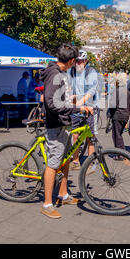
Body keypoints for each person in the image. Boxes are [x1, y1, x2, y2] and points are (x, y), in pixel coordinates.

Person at [40, 44, 93, 219]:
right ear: (71, 61)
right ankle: (47, 204)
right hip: (56, 125)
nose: (76, 63)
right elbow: (52, 103)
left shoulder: (61, 74)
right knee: (53, 164)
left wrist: (76, 99)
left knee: (66, 159)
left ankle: (63, 194)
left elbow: (61, 97)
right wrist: (77, 109)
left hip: (64, 123)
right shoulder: (55, 74)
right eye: (75, 60)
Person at [67, 50, 99, 170]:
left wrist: (82, 102)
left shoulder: (91, 72)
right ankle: (75, 161)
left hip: (89, 108)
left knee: (90, 137)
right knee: (75, 135)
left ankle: (90, 161)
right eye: (77, 61)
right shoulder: (72, 72)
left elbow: (92, 90)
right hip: (77, 108)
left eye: (81, 61)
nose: (78, 63)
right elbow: (70, 87)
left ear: (86, 61)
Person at [107, 72, 130, 157]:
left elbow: (113, 105)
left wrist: (109, 114)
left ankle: (121, 154)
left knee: (117, 135)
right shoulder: (127, 91)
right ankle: (120, 152)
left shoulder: (116, 91)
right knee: (119, 134)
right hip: (125, 115)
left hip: (118, 115)